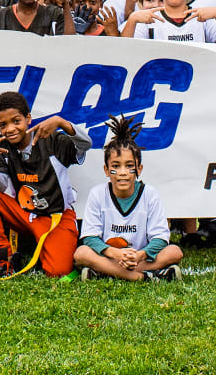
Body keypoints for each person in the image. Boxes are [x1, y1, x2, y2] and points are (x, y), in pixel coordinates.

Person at [0, 91, 90, 277]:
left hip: (55, 216)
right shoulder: (1, 145)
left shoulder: (51, 139)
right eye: (3, 125)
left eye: (16, 121)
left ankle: (40, 248)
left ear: (28, 118)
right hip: (25, 214)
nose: (10, 129)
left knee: (58, 271)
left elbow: (85, 144)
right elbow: (1, 186)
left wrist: (61, 122)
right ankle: (5, 258)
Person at [75, 116, 183, 281]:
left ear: (139, 168)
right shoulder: (97, 194)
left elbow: (161, 238)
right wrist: (115, 253)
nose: (123, 172)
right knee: (81, 253)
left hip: (140, 257)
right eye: (116, 166)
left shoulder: (149, 194)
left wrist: (140, 255)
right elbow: (90, 237)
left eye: (129, 166)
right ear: (106, 170)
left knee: (174, 252)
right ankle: (143, 277)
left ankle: (106, 273)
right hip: (111, 256)